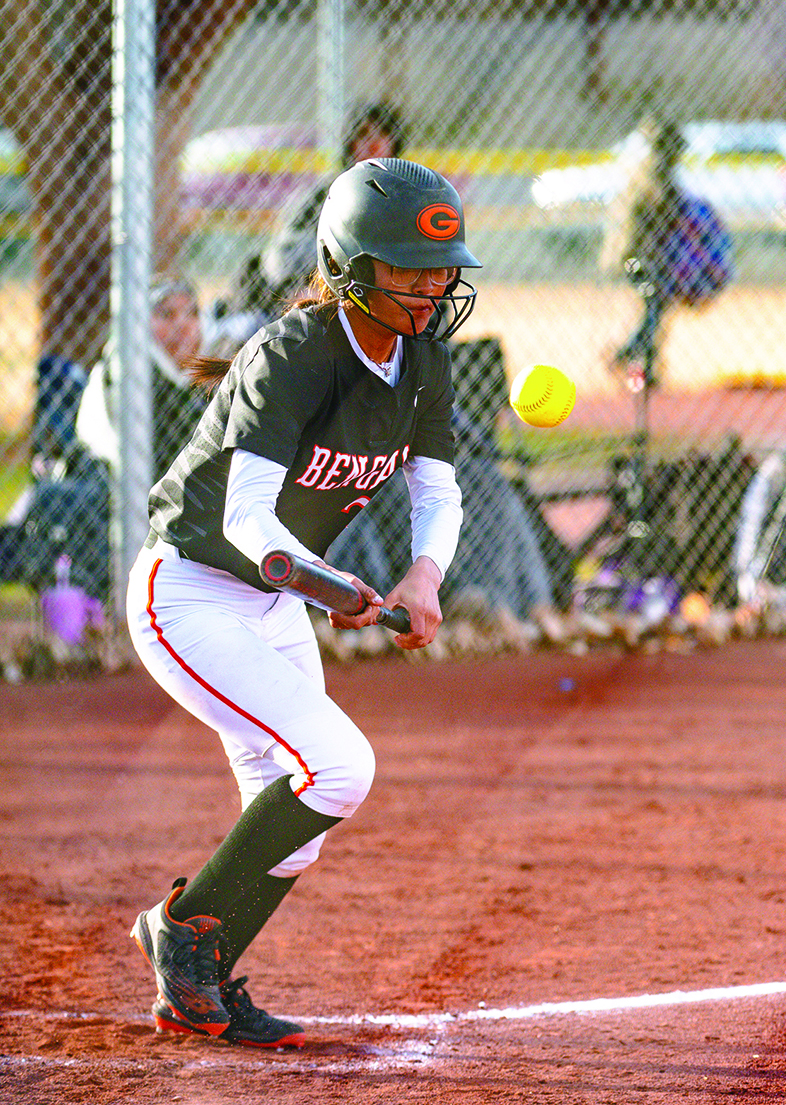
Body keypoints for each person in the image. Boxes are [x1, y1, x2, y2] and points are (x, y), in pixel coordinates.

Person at [126, 157, 480, 1048]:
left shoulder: (425, 357)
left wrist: (424, 574)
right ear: (351, 266)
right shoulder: (294, 352)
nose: (433, 289)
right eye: (408, 271)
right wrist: (334, 590)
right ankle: (178, 934)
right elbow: (249, 522)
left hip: (273, 607)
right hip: (192, 594)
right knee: (339, 765)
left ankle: (193, 987)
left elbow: (437, 491)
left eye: (441, 271)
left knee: (298, 823)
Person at [208, 102, 407, 355]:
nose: (373, 144)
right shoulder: (328, 193)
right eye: (364, 135)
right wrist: (320, 275)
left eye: (382, 135)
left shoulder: (404, 197)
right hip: (320, 284)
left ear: (394, 142)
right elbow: (283, 255)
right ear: (350, 143)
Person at [606, 118, 732, 387]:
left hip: (647, 254)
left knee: (656, 307)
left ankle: (642, 363)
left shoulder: (652, 171)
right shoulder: (653, 173)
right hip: (637, 255)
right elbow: (663, 209)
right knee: (655, 306)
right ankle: (630, 354)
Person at [76, 276, 207, 481]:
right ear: (141, 322)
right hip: (110, 484)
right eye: (166, 314)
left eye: (192, 313)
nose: (182, 325)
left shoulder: (206, 373)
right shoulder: (129, 367)